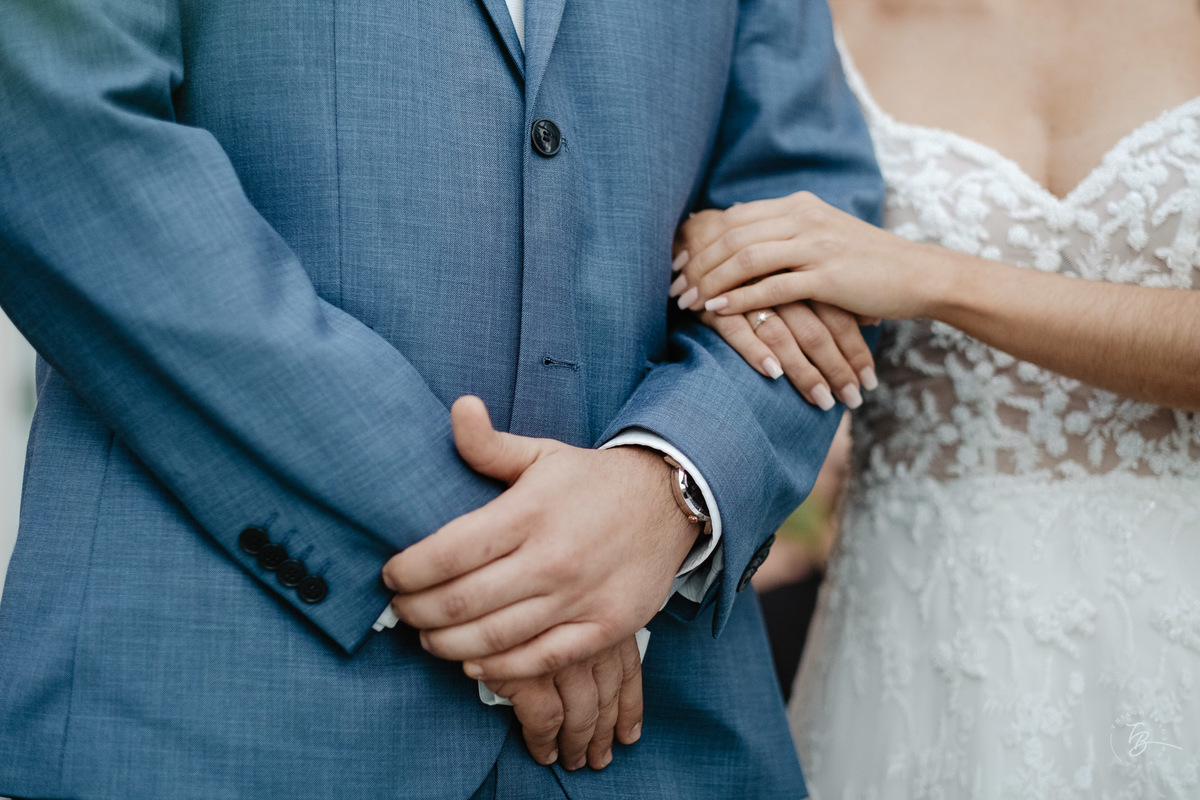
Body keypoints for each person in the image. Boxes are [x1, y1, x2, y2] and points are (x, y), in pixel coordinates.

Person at [0, 1, 882, 798]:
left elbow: (812, 203)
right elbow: (57, 134)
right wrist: (526, 563)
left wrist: (674, 482)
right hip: (210, 712)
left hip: (654, 740)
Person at [674, 0, 1200, 796]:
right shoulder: (819, 22)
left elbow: (887, 265)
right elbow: (725, 214)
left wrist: (933, 277)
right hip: (915, 631)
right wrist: (711, 251)